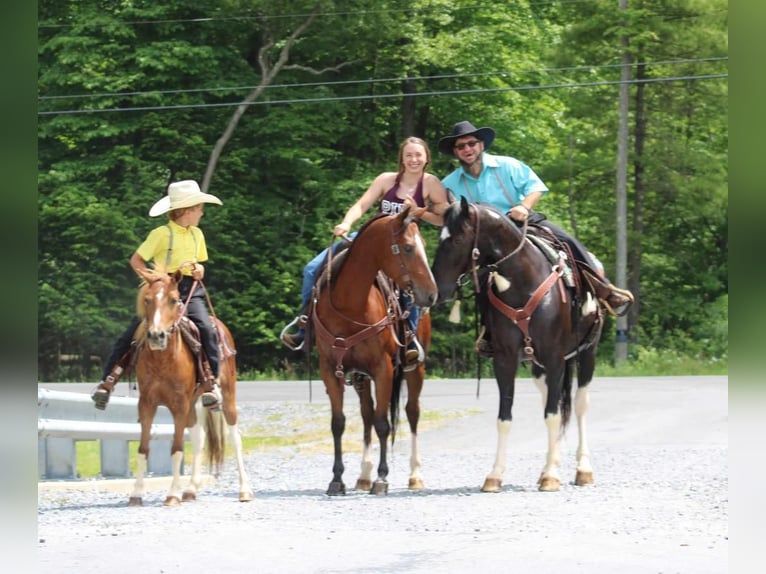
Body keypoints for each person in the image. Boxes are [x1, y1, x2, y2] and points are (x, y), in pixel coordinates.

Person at [438, 120, 634, 355]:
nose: (467, 149)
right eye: (461, 146)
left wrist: (524, 206)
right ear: (455, 152)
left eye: (471, 143)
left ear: (481, 145)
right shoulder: (449, 183)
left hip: (522, 224)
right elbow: (452, 216)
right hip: (485, 242)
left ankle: (604, 289)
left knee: (567, 241)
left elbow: (535, 186)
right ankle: (488, 331)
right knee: (478, 279)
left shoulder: (506, 165)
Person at [280, 136, 449, 370]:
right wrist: (347, 224)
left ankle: (410, 338)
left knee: (414, 285)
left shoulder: (431, 183)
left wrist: (417, 211)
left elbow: (442, 219)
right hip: (372, 238)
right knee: (312, 268)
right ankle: (304, 325)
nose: (413, 159)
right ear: (402, 157)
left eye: (418, 155)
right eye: (409, 155)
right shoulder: (386, 180)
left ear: (426, 158)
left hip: (404, 245)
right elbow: (362, 204)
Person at [91, 180, 225, 410]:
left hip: (190, 289)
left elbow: (200, 265)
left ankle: (211, 384)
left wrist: (199, 270)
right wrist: (153, 280)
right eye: (199, 208)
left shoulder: (197, 234)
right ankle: (108, 382)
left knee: (206, 328)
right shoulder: (161, 234)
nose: (202, 212)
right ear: (187, 210)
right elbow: (136, 260)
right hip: (163, 291)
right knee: (131, 334)